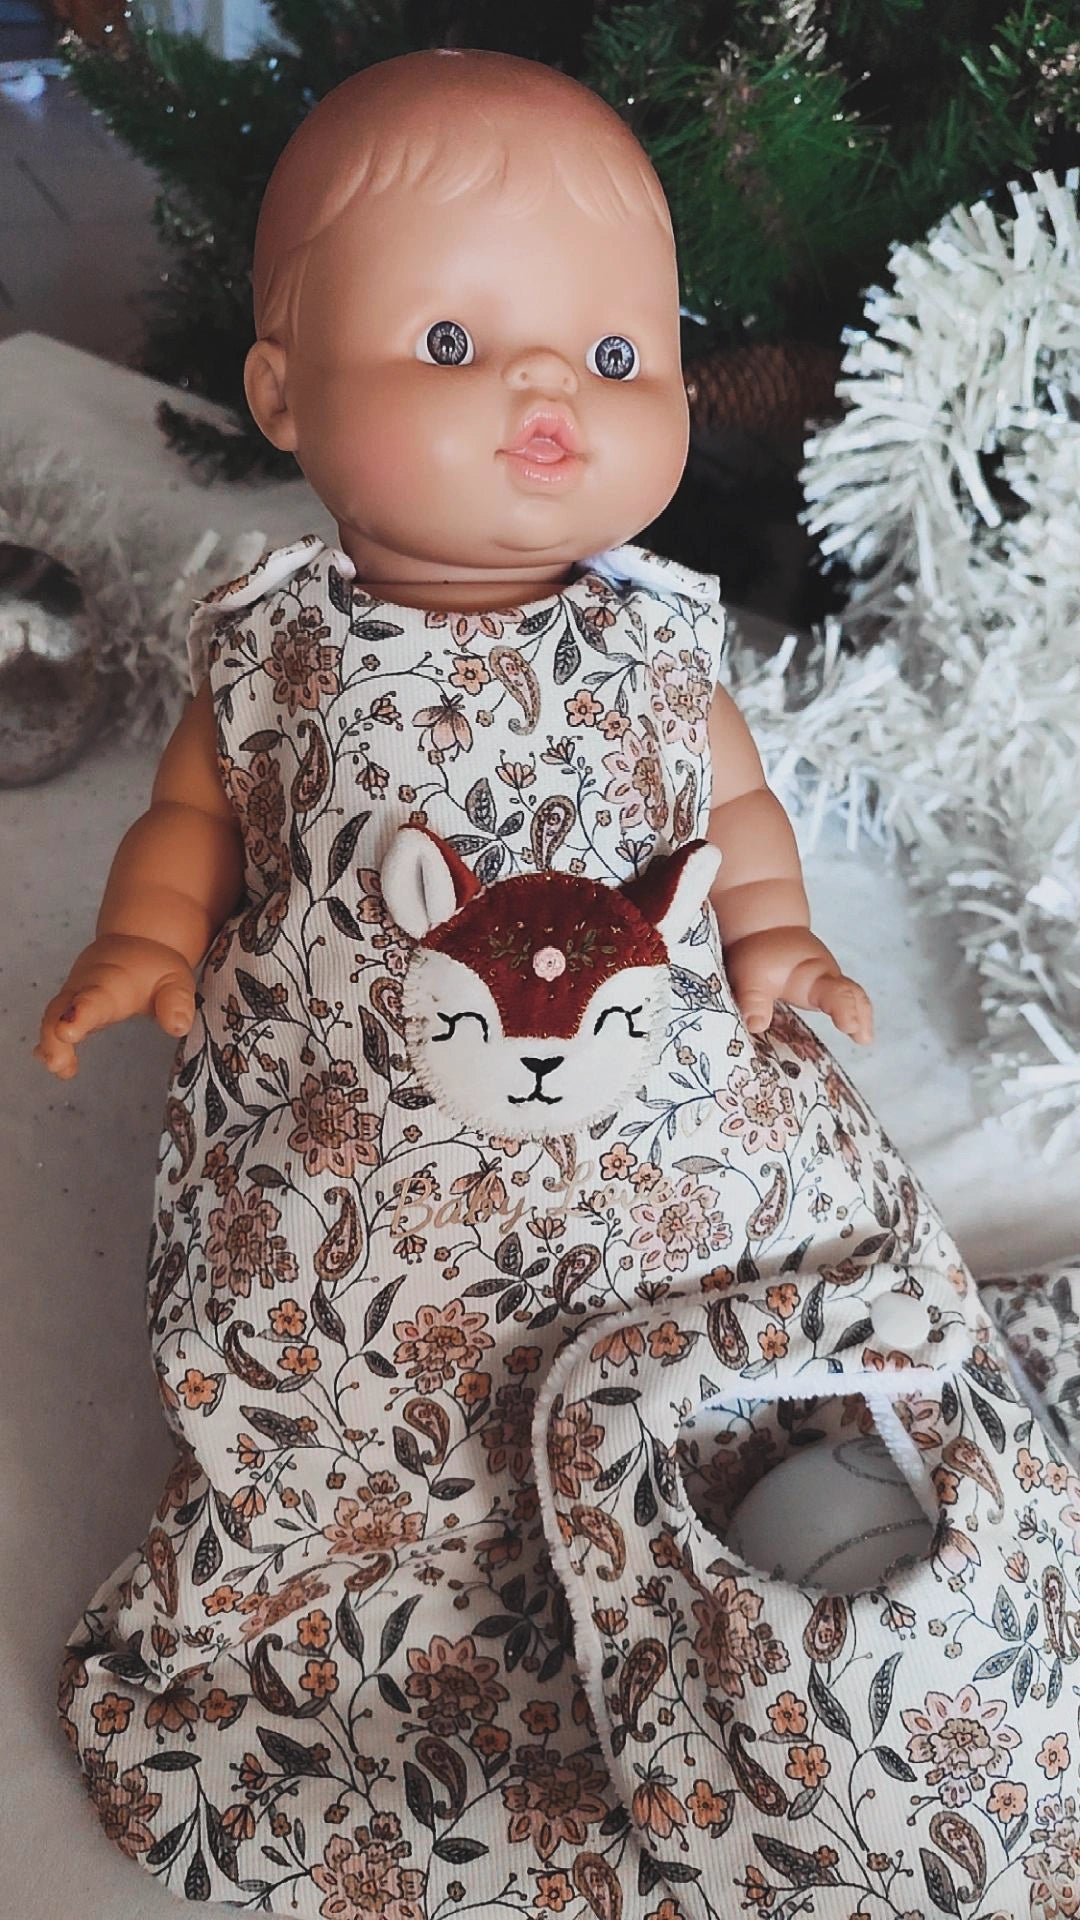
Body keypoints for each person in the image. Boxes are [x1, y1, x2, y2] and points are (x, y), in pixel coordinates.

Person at [36, 49, 1072, 1920]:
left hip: (673, 1155)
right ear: (282, 392)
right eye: (451, 343)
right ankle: (396, 1541)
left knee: (769, 1261)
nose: (547, 392)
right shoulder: (273, 645)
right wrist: (143, 937)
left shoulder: (658, 633)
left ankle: (746, 1478)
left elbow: (736, 815)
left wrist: (777, 935)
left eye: (612, 354)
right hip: (372, 1178)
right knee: (328, 1355)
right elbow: (194, 817)